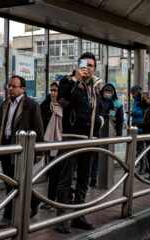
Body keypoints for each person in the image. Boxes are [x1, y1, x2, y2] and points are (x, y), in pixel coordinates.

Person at [55, 52, 104, 234]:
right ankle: (61, 217)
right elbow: (62, 102)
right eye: (85, 64)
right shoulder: (68, 81)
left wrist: (100, 121)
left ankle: (78, 215)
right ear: (78, 65)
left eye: (91, 65)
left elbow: (99, 108)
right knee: (66, 178)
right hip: (72, 137)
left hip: (90, 139)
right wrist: (76, 80)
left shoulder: (95, 86)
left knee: (84, 179)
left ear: (95, 68)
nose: (88, 68)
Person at [0, 75, 44, 229]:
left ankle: (7, 216)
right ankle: (34, 200)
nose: (10, 89)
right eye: (9, 86)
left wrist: (39, 151)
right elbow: (1, 126)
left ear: (23, 88)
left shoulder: (31, 104)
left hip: (21, 148)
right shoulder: (5, 104)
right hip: (6, 145)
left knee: (11, 183)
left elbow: (38, 127)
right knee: (10, 181)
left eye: (14, 86)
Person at [90, 81, 124, 186]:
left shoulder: (118, 105)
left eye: (110, 91)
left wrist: (119, 133)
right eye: (106, 91)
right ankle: (93, 177)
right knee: (95, 155)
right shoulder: (98, 100)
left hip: (109, 133)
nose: (107, 93)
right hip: (97, 132)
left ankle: (107, 177)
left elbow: (120, 120)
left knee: (107, 156)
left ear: (113, 92)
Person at [40, 82, 61, 211]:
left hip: (62, 144)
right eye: (51, 90)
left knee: (58, 174)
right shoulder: (47, 105)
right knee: (52, 173)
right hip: (50, 144)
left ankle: (59, 201)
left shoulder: (64, 105)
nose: (53, 93)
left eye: (56, 90)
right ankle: (51, 200)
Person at [129, 85, 148, 175]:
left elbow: (144, 112)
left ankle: (142, 167)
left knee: (141, 149)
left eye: (134, 93)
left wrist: (133, 113)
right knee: (141, 148)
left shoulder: (141, 101)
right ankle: (145, 166)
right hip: (136, 127)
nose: (132, 95)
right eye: (132, 93)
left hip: (141, 127)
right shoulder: (136, 102)